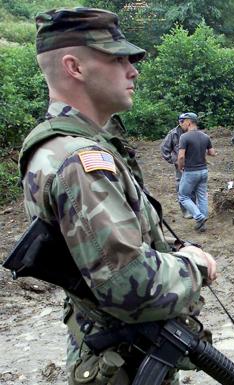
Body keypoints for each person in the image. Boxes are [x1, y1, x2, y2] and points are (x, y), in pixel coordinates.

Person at [17, 8, 217, 384]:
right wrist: (196, 265)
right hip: (120, 366)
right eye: (117, 58)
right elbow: (129, 286)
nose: (133, 70)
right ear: (74, 67)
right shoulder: (77, 160)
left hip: (115, 352)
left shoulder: (61, 146)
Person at [177, 112, 216, 232]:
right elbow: (212, 153)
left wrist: (180, 166)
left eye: (182, 122)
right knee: (202, 197)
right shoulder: (205, 136)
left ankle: (199, 217)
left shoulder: (184, 137)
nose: (181, 124)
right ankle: (202, 225)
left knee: (183, 196)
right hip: (203, 171)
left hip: (191, 171)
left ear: (189, 122)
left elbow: (181, 156)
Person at [160, 114, 194, 218]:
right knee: (182, 188)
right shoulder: (173, 134)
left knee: (194, 187)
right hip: (181, 166)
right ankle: (185, 211)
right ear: (181, 122)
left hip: (194, 164)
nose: (190, 125)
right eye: (188, 122)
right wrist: (174, 161)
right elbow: (164, 148)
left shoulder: (194, 132)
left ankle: (194, 208)